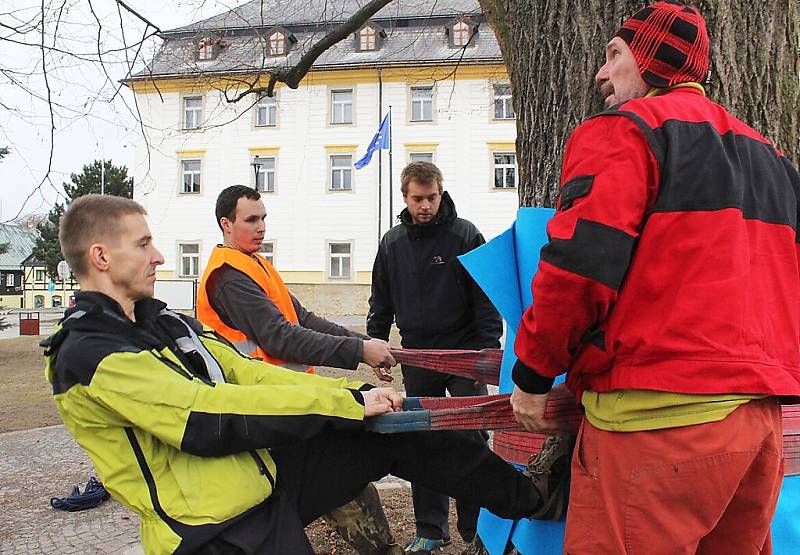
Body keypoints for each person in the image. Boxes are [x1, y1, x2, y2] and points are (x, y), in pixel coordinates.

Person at [45, 194, 548, 555]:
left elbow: (248, 374)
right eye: (144, 243)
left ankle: (534, 499)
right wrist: (344, 398)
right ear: (102, 257)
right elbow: (206, 417)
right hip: (212, 529)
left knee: (397, 427)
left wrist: (355, 397)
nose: (159, 255)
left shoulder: (166, 319)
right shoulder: (89, 353)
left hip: (263, 471)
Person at [509, 2, 800, 553]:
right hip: (758, 427)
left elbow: (578, 266)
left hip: (654, 424)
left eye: (615, 54)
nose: (601, 72)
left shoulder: (626, 133)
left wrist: (531, 374)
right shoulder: (774, 160)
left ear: (653, 64)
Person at [195, 185, 399, 554]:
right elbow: (279, 338)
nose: (261, 228)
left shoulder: (254, 264)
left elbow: (302, 319)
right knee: (341, 483)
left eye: (263, 219)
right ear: (226, 224)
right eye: (251, 220)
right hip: (264, 413)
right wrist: (359, 351)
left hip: (286, 406)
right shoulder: (228, 277)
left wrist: (364, 345)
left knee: (332, 486)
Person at [367, 162, 503, 553]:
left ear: (441, 193)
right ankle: (430, 528)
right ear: (405, 198)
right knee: (420, 439)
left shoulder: (465, 236)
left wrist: (485, 348)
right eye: (417, 199)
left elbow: (486, 298)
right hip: (417, 353)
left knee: (470, 435)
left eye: (431, 197)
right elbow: (382, 299)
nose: (425, 206)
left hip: (463, 354)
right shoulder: (392, 243)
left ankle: (476, 525)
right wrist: (377, 342)